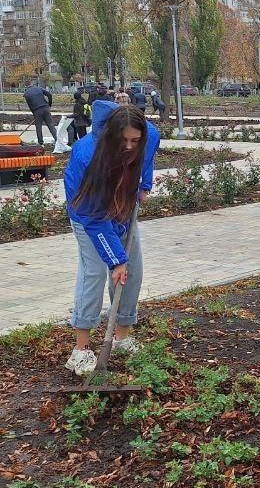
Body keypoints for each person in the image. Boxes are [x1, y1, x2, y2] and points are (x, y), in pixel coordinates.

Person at [62, 101, 161, 376]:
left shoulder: (149, 136)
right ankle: (80, 352)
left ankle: (122, 337)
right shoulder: (87, 157)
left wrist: (144, 185)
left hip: (123, 207)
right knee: (94, 272)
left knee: (133, 272)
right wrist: (116, 260)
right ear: (111, 136)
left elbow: (147, 157)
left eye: (135, 140)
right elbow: (94, 217)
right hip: (88, 214)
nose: (130, 146)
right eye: (123, 140)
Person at [24, 80, 56, 146]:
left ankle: (40, 143)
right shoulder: (39, 88)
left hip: (36, 111)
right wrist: (49, 104)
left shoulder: (26, 94)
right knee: (51, 125)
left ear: (26, 87)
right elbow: (49, 95)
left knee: (38, 127)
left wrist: (34, 114)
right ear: (32, 84)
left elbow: (30, 105)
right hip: (45, 108)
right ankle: (57, 140)